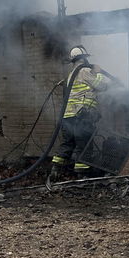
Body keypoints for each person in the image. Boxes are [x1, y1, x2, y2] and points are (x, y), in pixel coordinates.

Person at [51, 46, 108, 179]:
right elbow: (101, 85)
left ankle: (55, 170)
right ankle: (82, 175)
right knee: (85, 145)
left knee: (68, 144)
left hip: (68, 117)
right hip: (81, 116)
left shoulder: (71, 75)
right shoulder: (85, 71)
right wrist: (98, 73)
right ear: (83, 58)